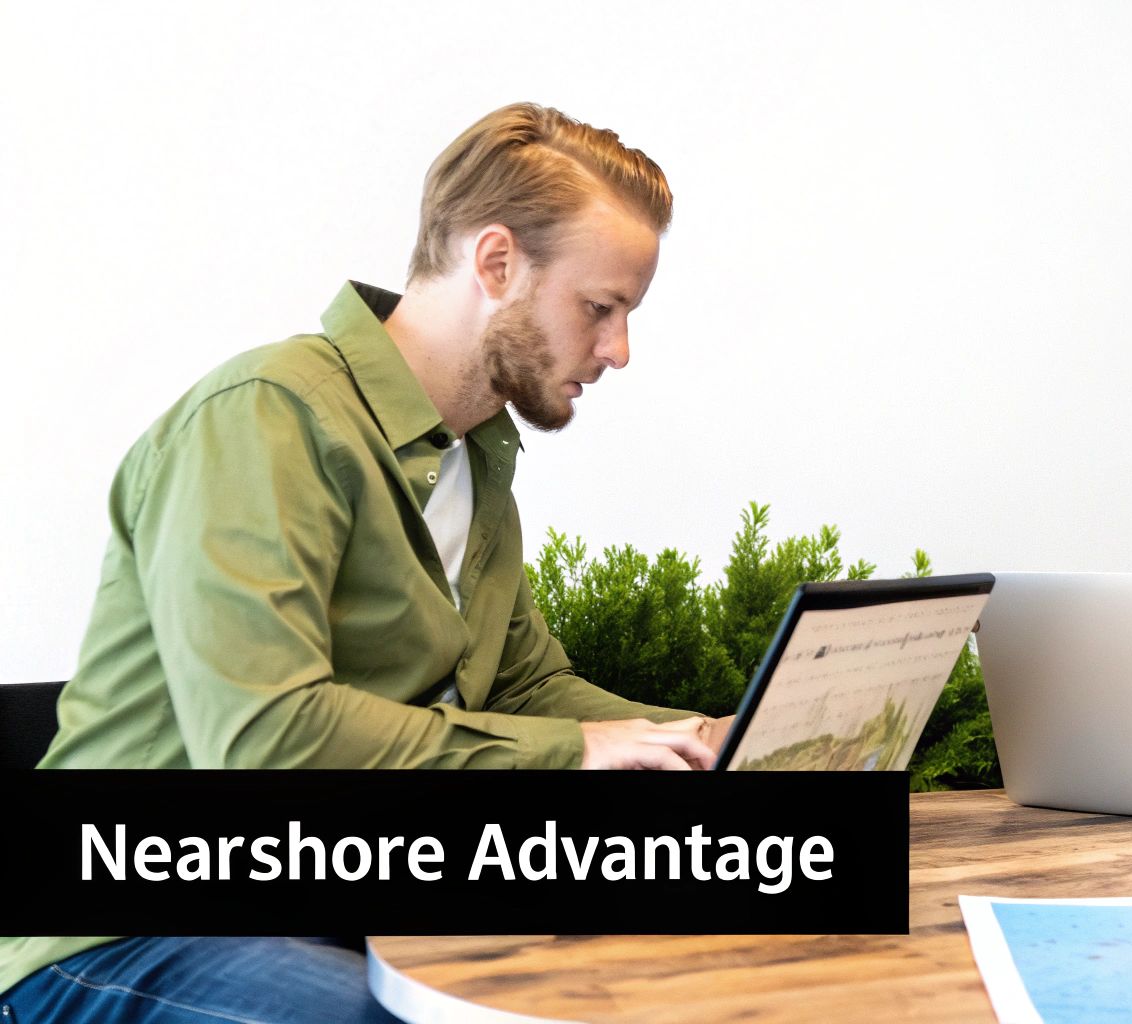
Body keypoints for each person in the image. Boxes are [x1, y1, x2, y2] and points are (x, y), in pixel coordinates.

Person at [1, 102, 728, 1023]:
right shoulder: (265, 417)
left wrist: (709, 741)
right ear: (497, 263)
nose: (618, 350)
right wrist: (578, 752)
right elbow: (265, 740)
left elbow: (526, 689)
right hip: (125, 935)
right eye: (600, 308)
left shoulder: (473, 460)